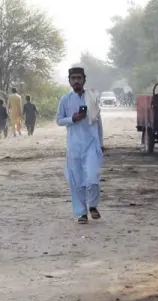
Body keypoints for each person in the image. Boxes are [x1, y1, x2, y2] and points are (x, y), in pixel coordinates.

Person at [56, 66, 104, 223]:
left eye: (79, 78)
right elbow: (59, 120)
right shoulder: (65, 99)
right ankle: (82, 213)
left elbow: (98, 122)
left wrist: (101, 143)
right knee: (76, 181)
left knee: (92, 177)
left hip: (92, 144)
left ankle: (93, 206)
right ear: (69, 80)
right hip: (74, 146)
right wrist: (72, 118)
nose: (76, 81)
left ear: (84, 80)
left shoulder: (92, 97)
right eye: (73, 78)